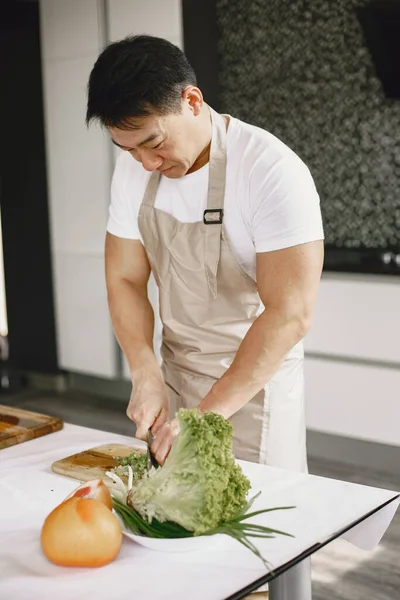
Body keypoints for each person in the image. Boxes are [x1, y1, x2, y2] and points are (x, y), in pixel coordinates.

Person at [86, 35, 324, 470]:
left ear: (192, 101)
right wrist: (144, 373)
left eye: (155, 143)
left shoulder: (269, 170)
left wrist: (206, 416)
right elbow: (124, 278)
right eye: (129, 148)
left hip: (254, 395)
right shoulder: (133, 170)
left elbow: (290, 313)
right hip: (174, 382)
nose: (146, 163)